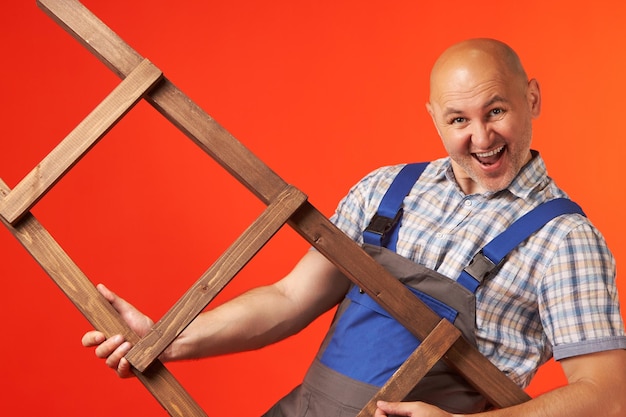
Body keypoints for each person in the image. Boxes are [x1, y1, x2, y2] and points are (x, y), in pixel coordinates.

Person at [83, 38, 626, 416]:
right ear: (434, 117)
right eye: (459, 119)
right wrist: (169, 340)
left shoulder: (564, 240)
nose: (481, 136)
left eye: (497, 111)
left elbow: (606, 396)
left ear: (531, 99)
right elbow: (289, 297)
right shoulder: (385, 190)